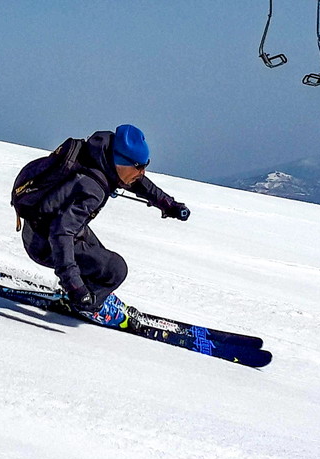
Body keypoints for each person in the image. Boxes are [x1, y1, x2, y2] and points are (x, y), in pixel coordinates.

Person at [11, 125, 189, 323]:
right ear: (121, 162)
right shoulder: (91, 188)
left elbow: (138, 182)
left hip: (41, 226)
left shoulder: (98, 156)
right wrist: (75, 287)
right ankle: (88, 306)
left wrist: (168, 205)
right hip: (44, 243)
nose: (143, 172)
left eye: (145, 165)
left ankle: (92, 293)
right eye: (139, 166)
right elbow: (60, 234)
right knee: (115, 270)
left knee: (101, 260)